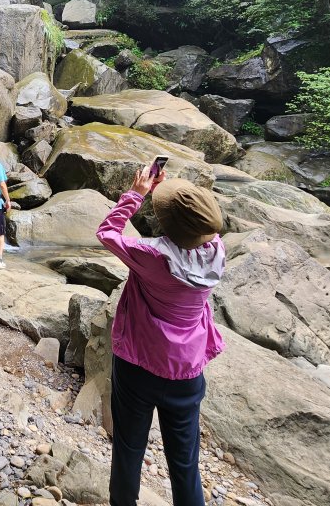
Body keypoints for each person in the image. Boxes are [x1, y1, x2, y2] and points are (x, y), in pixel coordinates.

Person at [96, 167, 226, 506]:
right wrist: (175, 198)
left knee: (129, 450)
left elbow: (107, 232)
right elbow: (194, 223)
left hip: (138, 366)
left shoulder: (150, 255)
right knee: (185, 465)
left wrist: (136, 193)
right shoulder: (216, 252)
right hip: (186, 372)